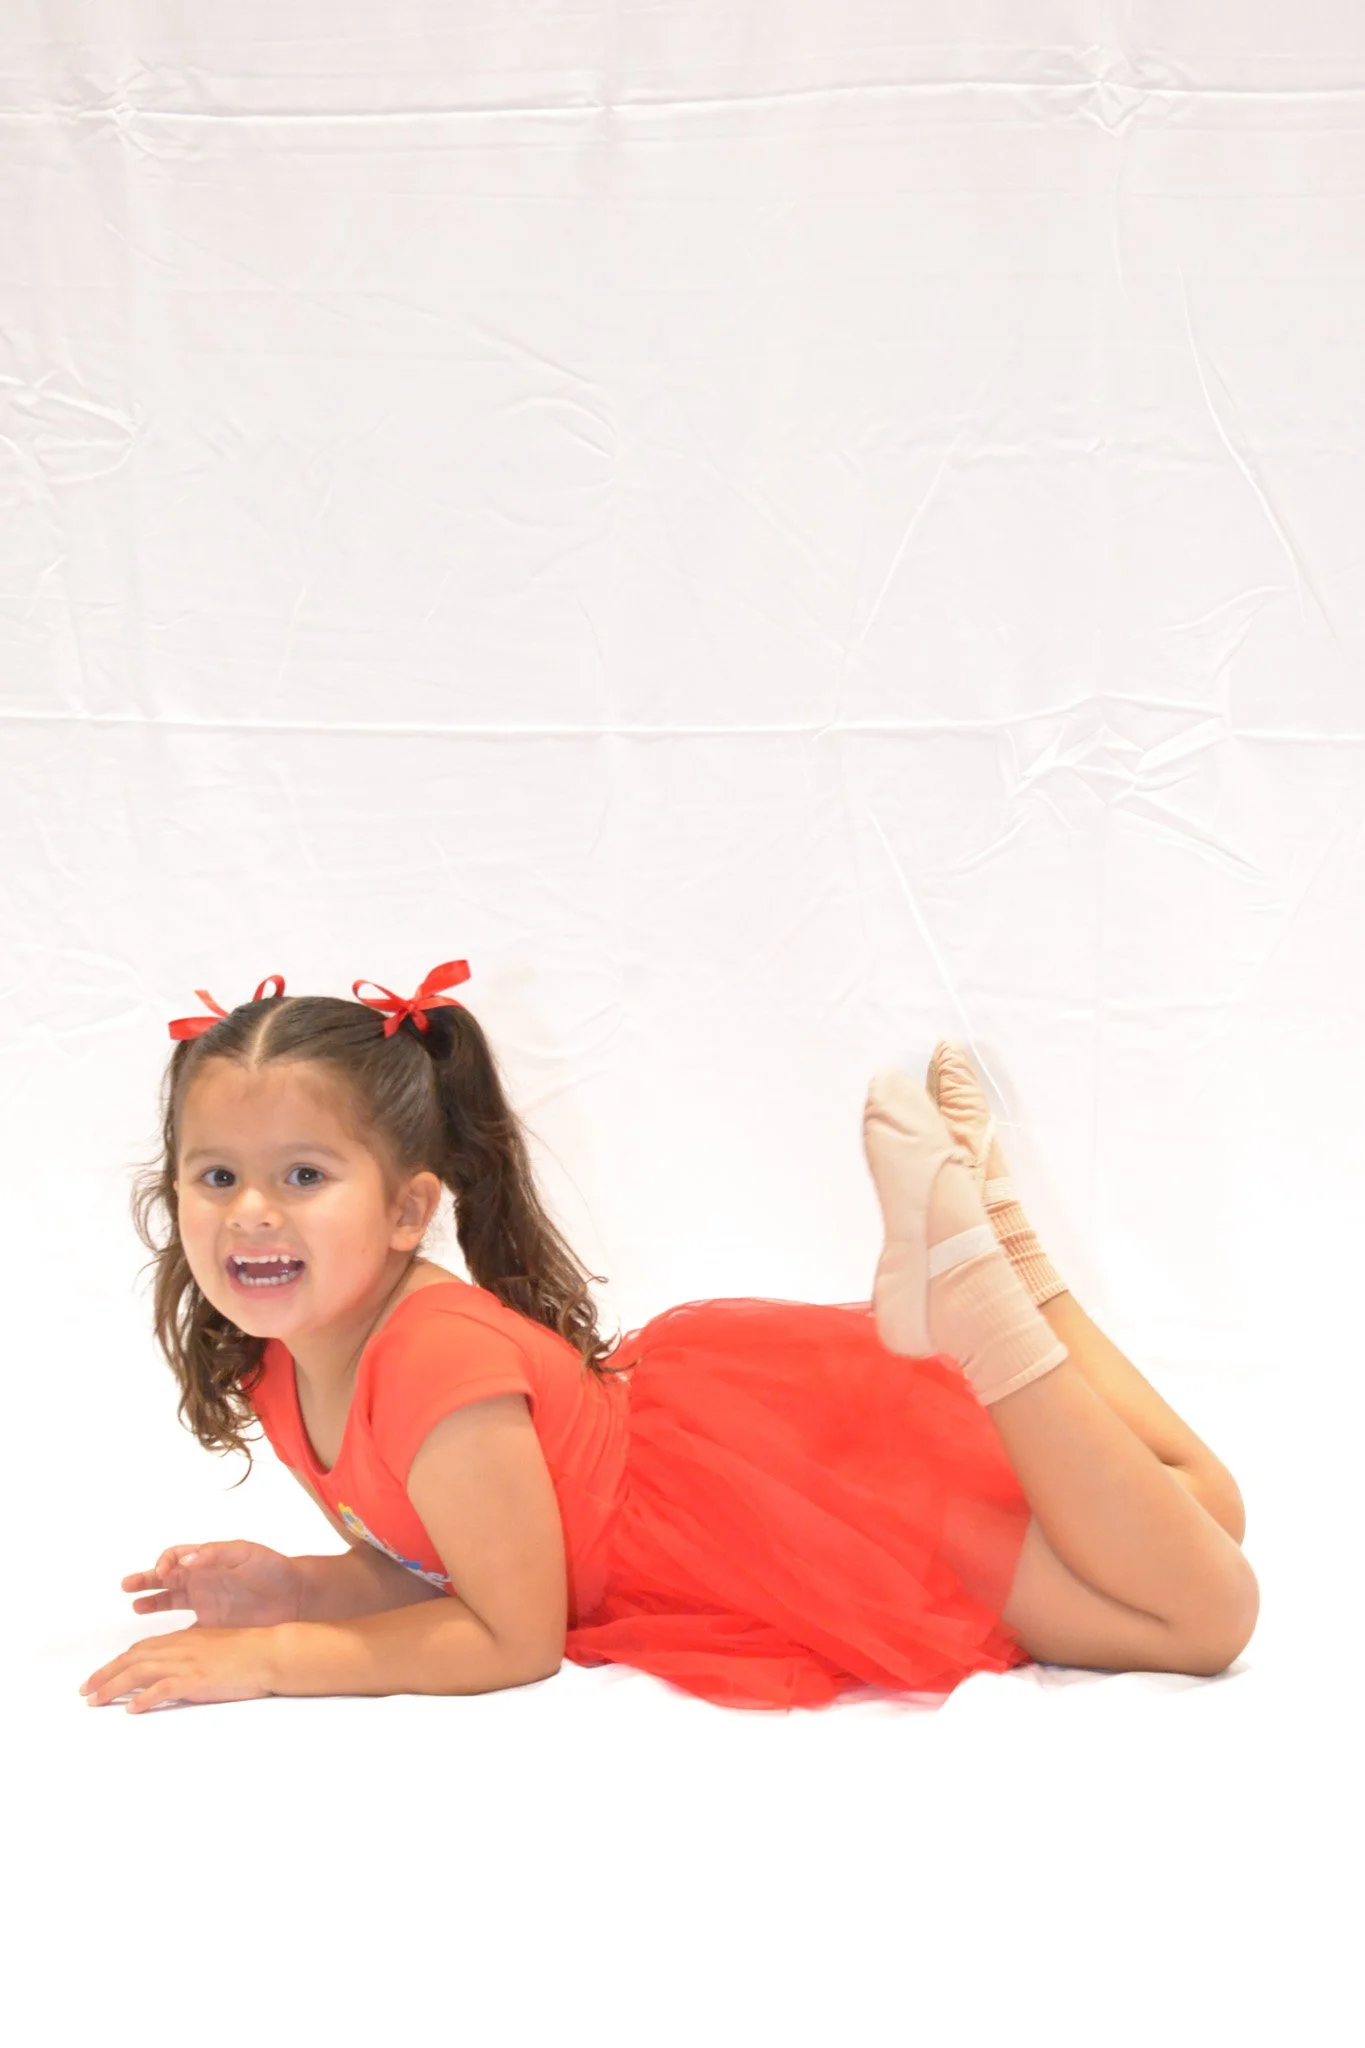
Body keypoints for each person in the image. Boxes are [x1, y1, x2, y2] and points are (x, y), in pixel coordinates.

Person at [79, 958, 1259, 1715]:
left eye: (303, 1173)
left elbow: (510, 1631)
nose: (251, 1211)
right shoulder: (288, 1363)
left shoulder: (433, 1358)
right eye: (217, 1173)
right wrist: (300, 1587)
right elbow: (453, 1558)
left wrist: (275, 1662)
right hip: (734, 1460)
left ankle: (982, 1312)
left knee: (1202, 1614)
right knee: (1199, 1506)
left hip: (759, 1514)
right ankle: (1005, 1255)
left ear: (408, 1208)